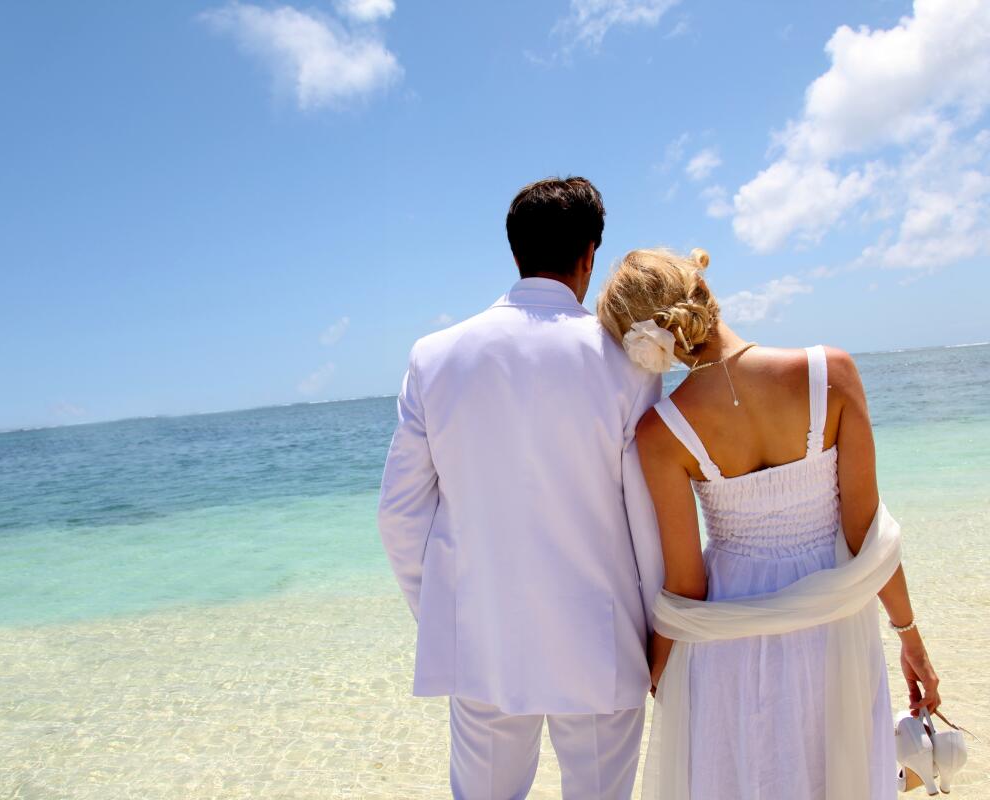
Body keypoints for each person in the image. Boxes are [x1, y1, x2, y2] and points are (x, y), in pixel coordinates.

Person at [595, 247, 942, 799]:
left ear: (645, 345)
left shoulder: (660, 432)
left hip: (728, 629)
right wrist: (909, 636)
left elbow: (686, 585)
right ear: (703, 288)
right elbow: (866, 533)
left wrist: (659, 669)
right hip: (834, 618)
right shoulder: (831, 372)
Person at [377, 177, 663, 799]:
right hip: (601, 639)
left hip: (483, 641)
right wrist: (659, 632)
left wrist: (449, 613)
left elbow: (399, 516)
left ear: (515, 253)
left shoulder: (434, 356)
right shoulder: (629, 363)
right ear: (590, 255)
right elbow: (648, 520)